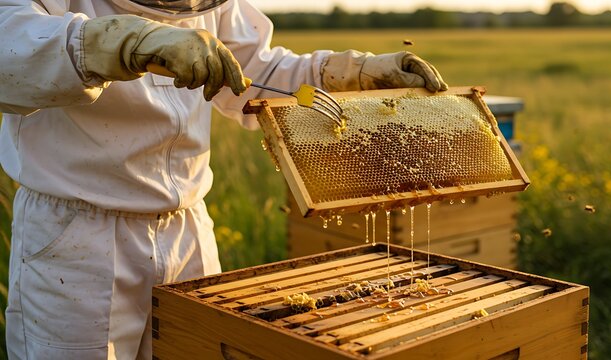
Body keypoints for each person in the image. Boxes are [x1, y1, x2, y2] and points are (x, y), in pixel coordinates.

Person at [0, 0, 448, 358]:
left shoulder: (205, 3)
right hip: (76, 239)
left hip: (187, 231)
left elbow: (258, 74)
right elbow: (10, 47)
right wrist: (123, 41)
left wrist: (352, 72)